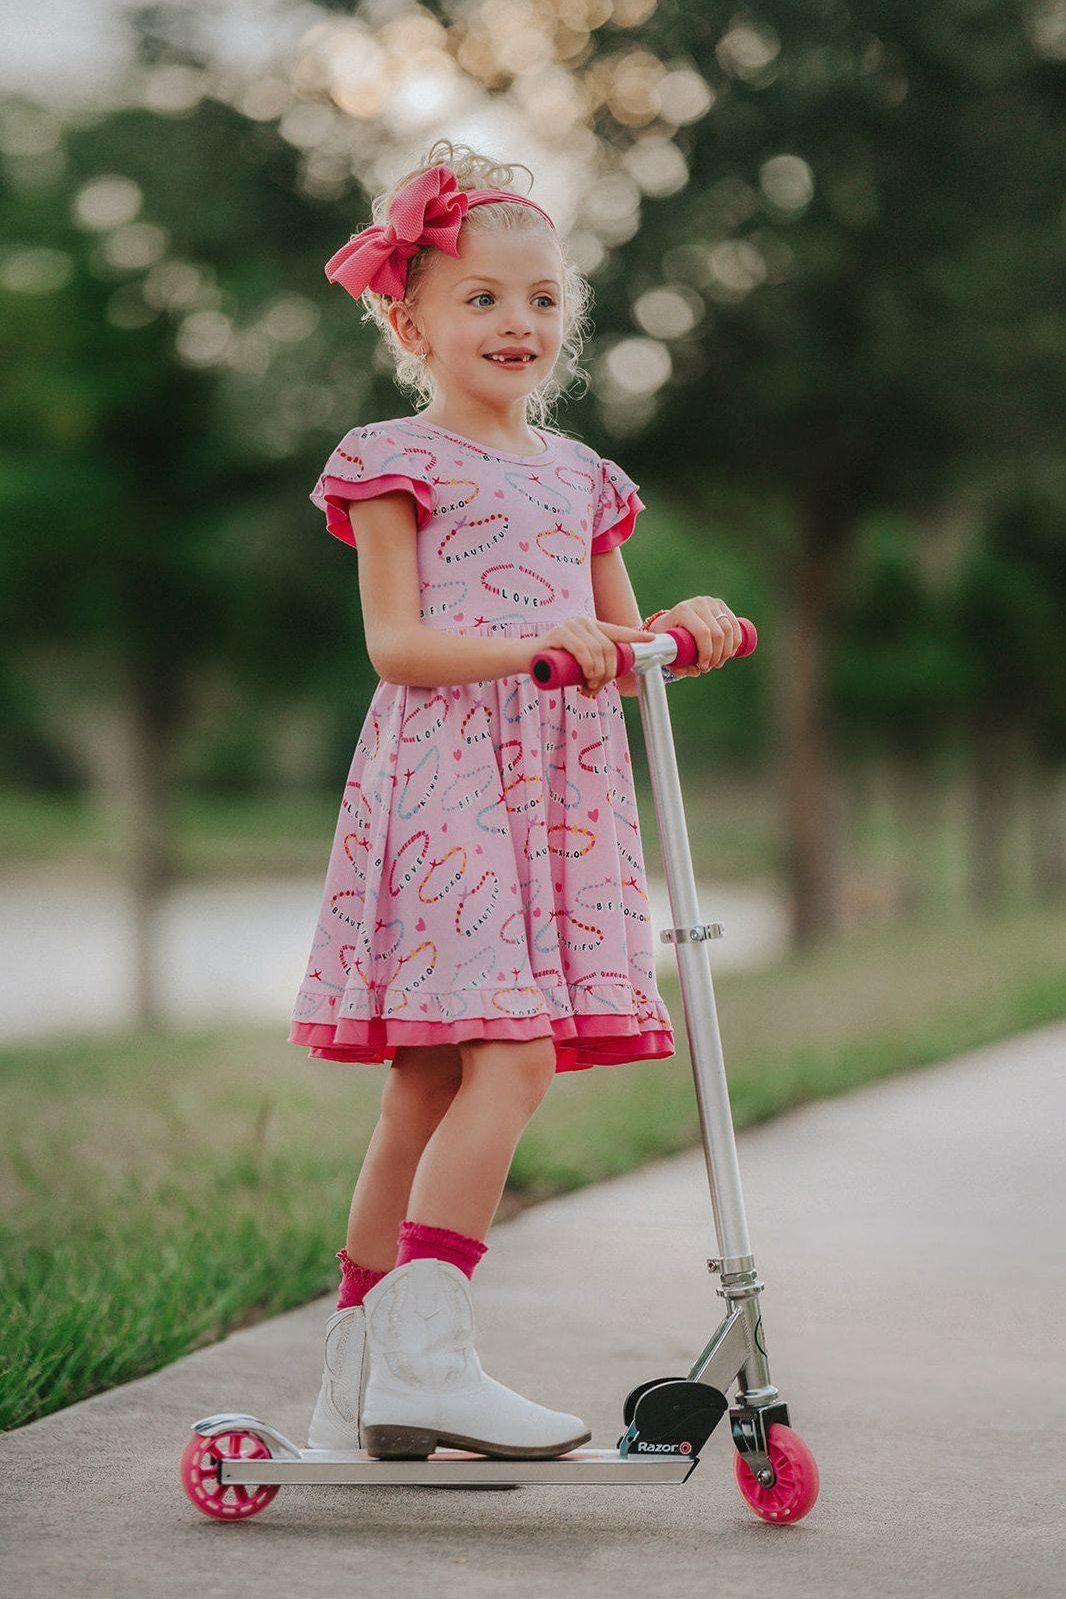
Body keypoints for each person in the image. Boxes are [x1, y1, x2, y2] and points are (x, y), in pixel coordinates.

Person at [291, 138, 743, 1461]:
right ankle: (422, 1360)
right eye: (480, 297)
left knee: (433, 1084)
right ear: (408, 319)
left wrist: (681, 627)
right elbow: (399, 647)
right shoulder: (392, 459)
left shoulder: (584, 479)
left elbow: (616, 649)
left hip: (555, 796)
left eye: (540, 299)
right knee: (507, 1057)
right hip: (444, 785)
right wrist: (527, 653)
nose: (514, 322)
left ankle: (359, 1384)